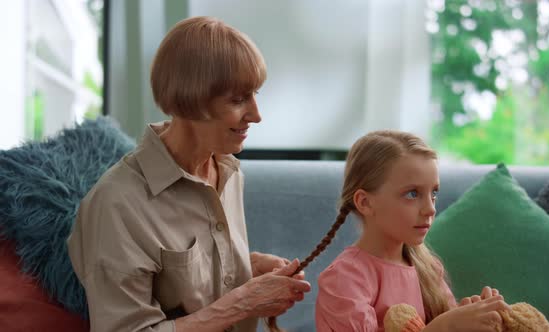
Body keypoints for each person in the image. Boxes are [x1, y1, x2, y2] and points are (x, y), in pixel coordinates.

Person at [67, 16, 310, 332]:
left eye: (255, 95)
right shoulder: (116, 204)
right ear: (190, 99)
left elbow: (183, 287)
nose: (256, 115)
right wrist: (245, 302)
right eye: (238, 100)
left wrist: (247, 270)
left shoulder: (228, 170)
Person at [293, 130, 510, 332]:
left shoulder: (428, 268)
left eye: (433, 193)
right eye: (412, 194)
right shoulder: (343, 280)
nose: (430, 208)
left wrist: (470, 316)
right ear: (365, 203)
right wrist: (447, 325)